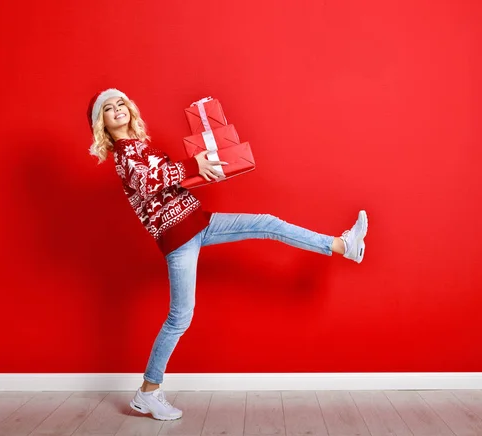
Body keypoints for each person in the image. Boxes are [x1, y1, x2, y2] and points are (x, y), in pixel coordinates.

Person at [87, 88, 368, 421]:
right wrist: (192, 164)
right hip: (180, 237)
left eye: (121, 104)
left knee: (268, 223)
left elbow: (169, 185)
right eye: (109, 108)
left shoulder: (141, 145)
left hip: (198, 222)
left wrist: (203, 170)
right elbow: (149, 182)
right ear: (101, 124)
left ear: (130, 110)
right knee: (180, 318)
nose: (117, 109)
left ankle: (341, 245)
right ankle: (148, 392)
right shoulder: (124, 153)